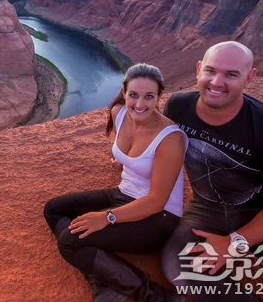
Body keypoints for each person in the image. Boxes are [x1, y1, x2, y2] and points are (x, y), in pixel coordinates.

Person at [161, 41, 263, 301]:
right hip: (206, 210)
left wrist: (233, 243)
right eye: (210, 71)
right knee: (181, 267)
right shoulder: (178, 107)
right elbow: (161, 145)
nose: (217, 82)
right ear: (199, 70)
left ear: (249, 78)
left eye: (231, 74)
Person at [43, 63, 187, 302]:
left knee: (70, 241)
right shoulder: (118, 113)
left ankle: (155, 296)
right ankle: (105, 281)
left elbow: (157, 201)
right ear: (123, 91)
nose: (140, 104)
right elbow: (128, 158)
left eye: (149, 97)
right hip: (124, 194)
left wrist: (106, 217)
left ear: (159, 96)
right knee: (54, 209)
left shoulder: (170, 138)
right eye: (134, 95)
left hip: (158, 218)